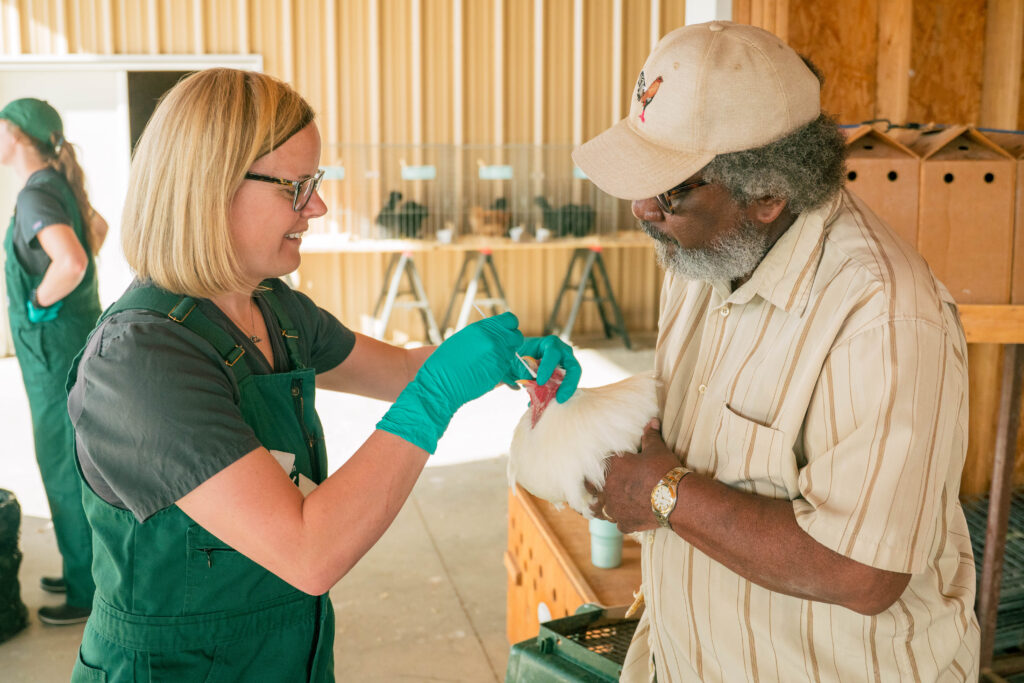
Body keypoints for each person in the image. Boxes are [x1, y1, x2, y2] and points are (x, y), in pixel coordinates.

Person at [64, 68, 579, 682]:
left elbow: (401, 371)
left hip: (287, 657)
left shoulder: (274, 309)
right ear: (210, 186)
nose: (319, 206)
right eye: (297, 186)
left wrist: (500, 358)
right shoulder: (141, 361)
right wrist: (437, 393)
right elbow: (309, 551)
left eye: (318, 182)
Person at [574, 21, 979, 682]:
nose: (643, 209)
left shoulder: (883, 315)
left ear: (766, 195)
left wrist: (663, 493)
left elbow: (864, 570)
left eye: (669, 189)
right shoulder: (700, 253)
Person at [1, 98, 107, 625]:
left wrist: (39, 303)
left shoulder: (36, 194)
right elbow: (99, 228)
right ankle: (78, 565)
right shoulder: (57, 185)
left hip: (53, 353)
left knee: (63, 467)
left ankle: (87, 589)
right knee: (74, 460)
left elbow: (72, 260)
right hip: (71, 343)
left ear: (17, 136)